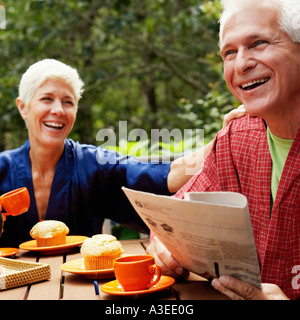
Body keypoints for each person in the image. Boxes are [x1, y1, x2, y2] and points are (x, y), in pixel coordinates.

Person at [147, 0, 300, 300]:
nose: (241, 64)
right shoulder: (234, 139)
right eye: (229, 52)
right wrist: (167, 245)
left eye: (258, 43)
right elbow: (176, 215)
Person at [0, 59, 244, 247]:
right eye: (46, 99)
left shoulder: (93, 163)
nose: (58, 110)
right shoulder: (3, 168)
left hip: (82, 288)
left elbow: (169, 174)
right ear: (23, 107)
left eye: (68, 101)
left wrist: (223, 138)